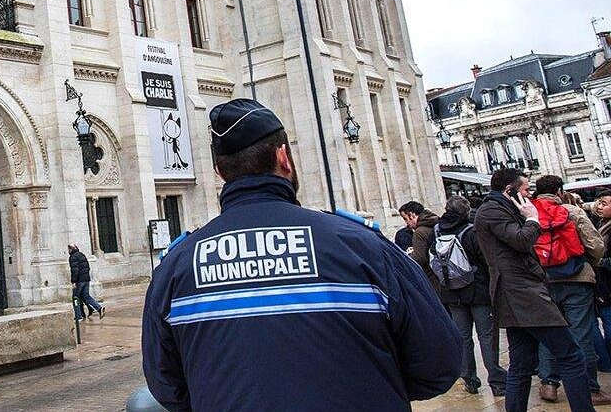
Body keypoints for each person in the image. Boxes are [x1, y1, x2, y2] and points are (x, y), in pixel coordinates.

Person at [142, 99, 462, 411]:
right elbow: (439, 364)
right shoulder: (362, 246)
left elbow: (168, 388)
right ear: (284, 157)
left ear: (219, 171)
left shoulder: (176, 267)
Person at [474, 168, 596, 412]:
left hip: (518, 293)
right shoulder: (491, 211)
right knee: (571, 355)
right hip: (522, 293)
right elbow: (521, 240)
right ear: (509, 190)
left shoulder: (501, 208)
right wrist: (532, 218)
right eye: (525, 189)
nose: (530, 194)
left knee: (522, 363)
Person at [531, 174, 609, 403]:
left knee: (549, 332)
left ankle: (549, 384)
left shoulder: (528, 214)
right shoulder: (572, 211)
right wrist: (588, 262)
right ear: (559, 191)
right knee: (581, 334)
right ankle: (590, 388)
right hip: (577, 279)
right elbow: (596, 246)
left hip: (543, 282)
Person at [427, 195, 507, 396]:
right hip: (477, 291)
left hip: (451, 291)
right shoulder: (471, 231)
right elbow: (486, 261)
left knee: (462, 338)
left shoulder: (436, 231)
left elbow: (431, 259)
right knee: (487, 336)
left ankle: (470, 379)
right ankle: (497, 381)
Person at [594, 191, 611, 372]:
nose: (599, 207)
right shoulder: (601, 225)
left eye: (604, 203)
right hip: (603, 286)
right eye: (599, 203)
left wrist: (599, 261)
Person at [399, 201, 440, 274]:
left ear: (412, 215)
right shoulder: (435, 223)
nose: (406, 222)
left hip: (431, 274)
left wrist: (410, 254)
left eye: (406, 219)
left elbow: (419, 259)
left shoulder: (419, 232)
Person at [68, 244, 104, 321]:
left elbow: (75, 271)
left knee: (75, 298)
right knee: (85, 296)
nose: (68, 251)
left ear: (71, 249)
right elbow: (88, 267)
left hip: (79, 281)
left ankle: (79, 317)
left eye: (69, 249)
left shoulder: (72, 257)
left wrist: (74, 281)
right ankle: (99, 308)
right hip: (86, 279)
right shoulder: (82, 255)